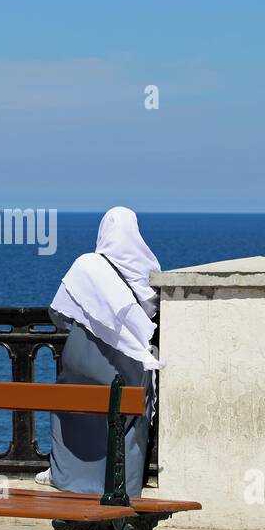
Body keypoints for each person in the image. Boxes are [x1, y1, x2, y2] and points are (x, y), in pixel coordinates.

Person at [36, 207, 162, 497]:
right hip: (127, 365)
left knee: (72, 408)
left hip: (82, 357)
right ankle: (124, 484)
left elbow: (58, 312)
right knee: (127, 419)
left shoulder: (87, 265)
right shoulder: (148, 269)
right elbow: (150, 316)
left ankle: (65, 476)